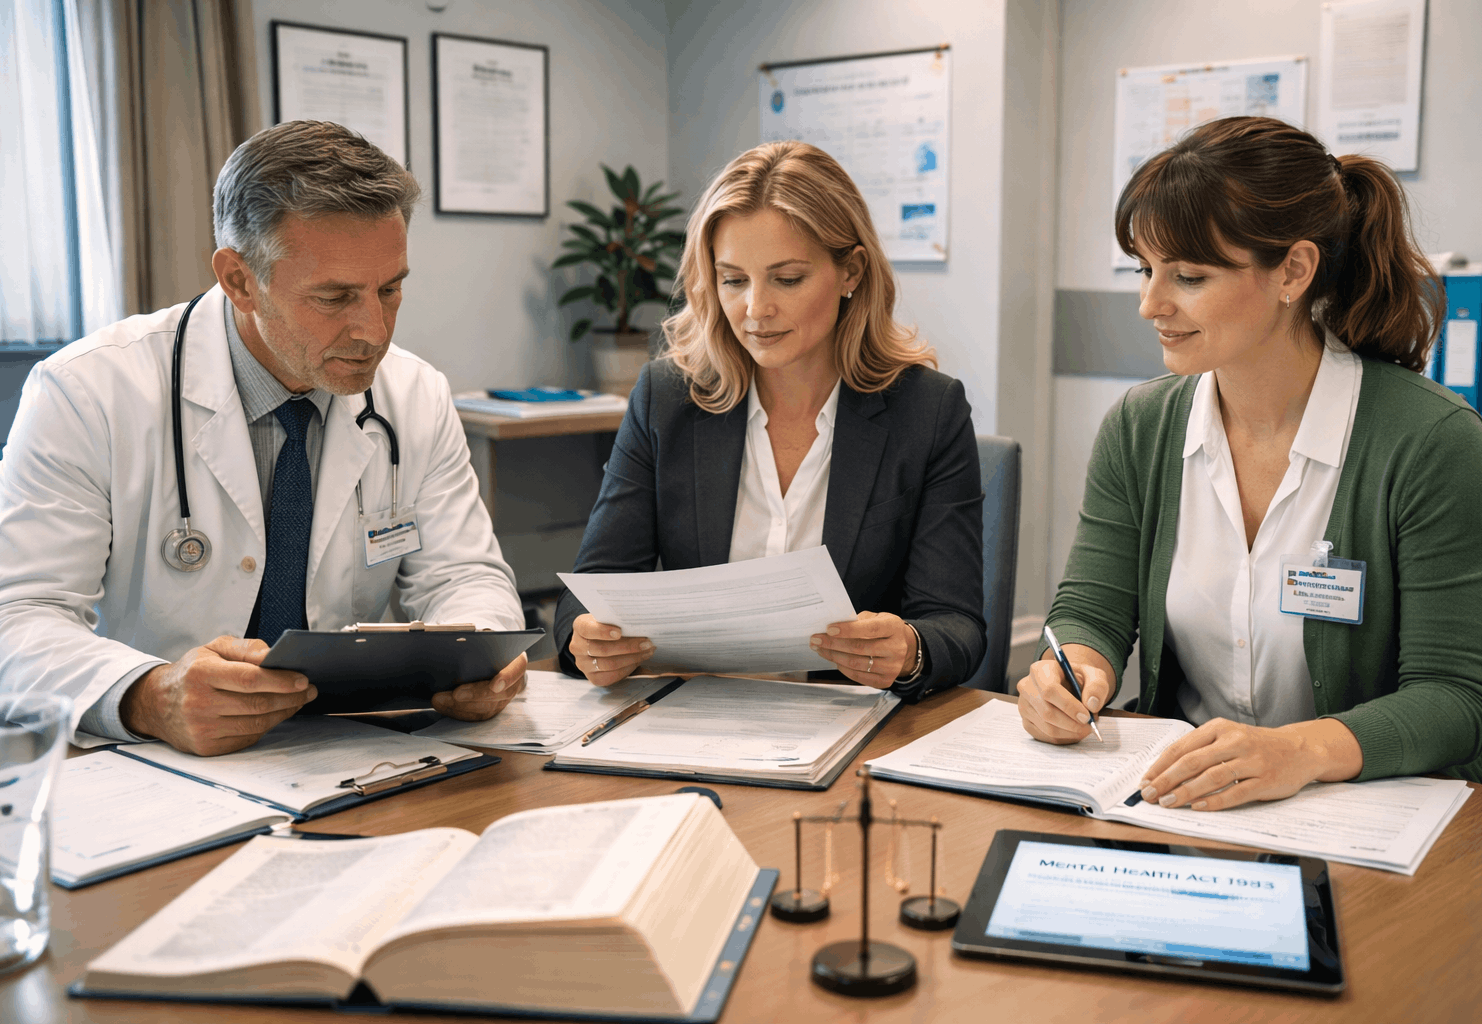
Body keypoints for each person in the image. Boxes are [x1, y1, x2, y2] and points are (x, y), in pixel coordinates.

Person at [1021, 116, 1482, 805]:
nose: (1149, 304)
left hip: (1396, 814)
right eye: (1145, 269)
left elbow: (1456, 698)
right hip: (1195, 805)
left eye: (1188, 275)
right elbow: (1091, 609)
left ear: (1294, 270)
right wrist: (1072, 669)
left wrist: (1296, 752)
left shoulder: (1431, 439)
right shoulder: (1140, 428)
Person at [0, 121, 527, 755]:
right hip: (153, 764)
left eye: (390, 290)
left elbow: (462, 575)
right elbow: (18, 618)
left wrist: (480, 655)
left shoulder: (415, 394)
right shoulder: (86, 393)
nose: (373, 331)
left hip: (353, 750)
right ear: (239, 280)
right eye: (334, 297)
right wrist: (147, 695)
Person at [554, 141, 985, 699]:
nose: (756, 309)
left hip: (852, 730)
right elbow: (589, 592)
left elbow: (956, 625)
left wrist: (908, 649)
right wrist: (585, 640)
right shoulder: (667, 400)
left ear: (850, 270)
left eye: (786, 279)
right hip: (697, 720)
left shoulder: (927, 412)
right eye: (734, 280)